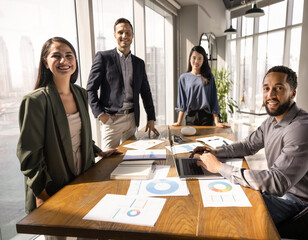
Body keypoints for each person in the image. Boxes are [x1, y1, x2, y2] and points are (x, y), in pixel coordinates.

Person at [190, 65, 308, 224]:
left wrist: (220, 167)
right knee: (222, 189)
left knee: (224, 211)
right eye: (266, 88)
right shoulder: (273, 120)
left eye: (279, 88)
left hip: (299, 204)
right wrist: (215, 153)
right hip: (280, 193)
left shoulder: (303, 129)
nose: (270, 94)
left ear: (293, 93)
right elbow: (248, 145)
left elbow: (277, 182)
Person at [16, 37, 120, 214]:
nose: (64, 61)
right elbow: (29, 155)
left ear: (75, 61)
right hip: (52, 188)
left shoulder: (80, 93)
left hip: (83, 177)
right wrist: (41, 194)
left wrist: (97, 151)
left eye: (69, 55)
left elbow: (79, 135)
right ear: (45, 62)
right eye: (56, 56)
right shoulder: (35, 101)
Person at [87, 18, 159, 150]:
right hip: (112, 119)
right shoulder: (103, 58)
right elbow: (90, 89)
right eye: (120, 32)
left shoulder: (139, 63)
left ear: (132, 35)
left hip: (132, 119)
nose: (124, 36)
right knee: (107, 161)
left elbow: (145, 92)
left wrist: (151, 117)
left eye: (128, 32)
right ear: (115, 35)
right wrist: (100, 114)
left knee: (130, 158)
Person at [173, 46, 230, 127]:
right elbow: (182, 102)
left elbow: (214, 100)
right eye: (194, 58)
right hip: (191, 117)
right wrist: (179, 122)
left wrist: (216, 121)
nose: (196, 61)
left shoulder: (209, 77)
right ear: (190, 59)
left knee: (207, 139)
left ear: (204, 60)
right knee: (191, 140)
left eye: (200, 58)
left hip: (206, 118)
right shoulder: (183, 78)